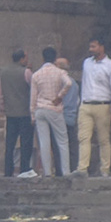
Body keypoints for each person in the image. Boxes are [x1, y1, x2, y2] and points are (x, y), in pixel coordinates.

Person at [77, 38, 111, 177]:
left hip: (103, 105)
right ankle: (82, 168)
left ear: (101, 47)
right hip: (86, 104)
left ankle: (105, 169)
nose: (91, 49)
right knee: (84, 138)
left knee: (103, 139)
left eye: (94, 46)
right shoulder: (87, 63)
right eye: (90, 46)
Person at [31, 46, 72, 178]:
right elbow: (69, 83)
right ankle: (66, 171)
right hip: (54, 108)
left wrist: (32, 114)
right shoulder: (59, 73)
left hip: (40, 108)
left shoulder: (36, 75)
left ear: (43, 58)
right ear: (55, 59)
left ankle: (47, 172)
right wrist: (60, 96)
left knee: (44, 142)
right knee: (62, 140)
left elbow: (33, 97)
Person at [0, 50, 35, 176]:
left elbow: (1, 92)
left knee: (10, 143)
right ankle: (24, 168)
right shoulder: (26, 72)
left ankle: (8, 170)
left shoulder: (3, 72)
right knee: (26, 142)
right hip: (25, 112)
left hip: (11, 113)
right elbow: (34, 88)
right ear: (22, 59)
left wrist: (3, 107)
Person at [58, 57, 82, 173]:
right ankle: (73, 168)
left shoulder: (60, 82)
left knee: (60, 145)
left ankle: (61, 170)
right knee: (72, 145)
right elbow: (77, 101)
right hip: (71, 117)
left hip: (60, 116)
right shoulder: (75, 84)